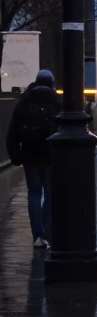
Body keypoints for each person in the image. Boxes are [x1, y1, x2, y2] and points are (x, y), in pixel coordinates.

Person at [5, 70, 61, 248]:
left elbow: (13, 130)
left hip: (30, 154)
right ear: (51, 82)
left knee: (34, 194)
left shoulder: (25, 101)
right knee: (51, 194)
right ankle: (46, 232)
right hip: (50, 154)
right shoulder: (56, 102)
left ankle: (37, 235)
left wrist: (15, 155)